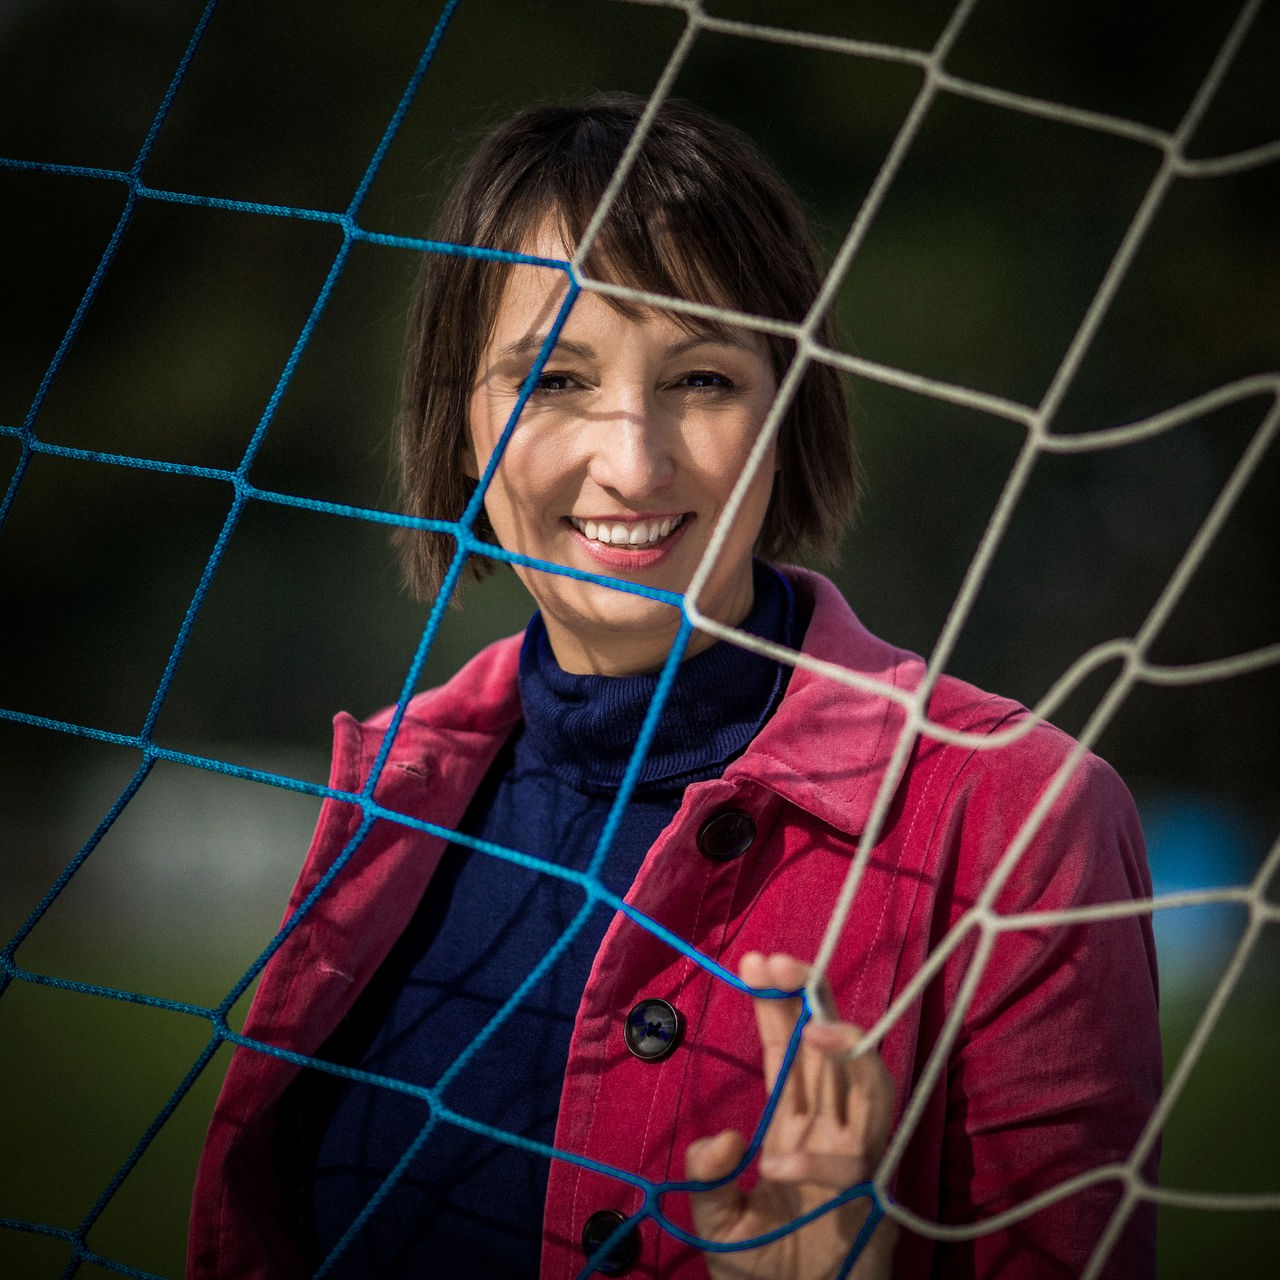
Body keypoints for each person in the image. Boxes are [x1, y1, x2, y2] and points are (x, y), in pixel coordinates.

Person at [188, 94, 1161, 1279]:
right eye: (552, 379)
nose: (632, 459)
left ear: (787, 410)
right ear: (458, 424)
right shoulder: (389, 792)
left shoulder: (1017, 816)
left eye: (700, 379)